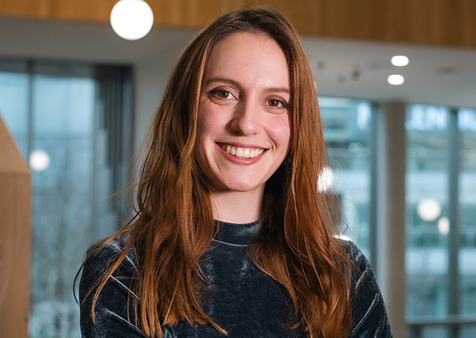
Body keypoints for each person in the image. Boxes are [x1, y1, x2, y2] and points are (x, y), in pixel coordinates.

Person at [77, 7, 392, 338]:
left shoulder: (343, 272)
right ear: (185, 109)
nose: (246, 124)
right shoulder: (123, 271)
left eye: (275, 102)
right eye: (223, 93)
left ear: (298, 123)